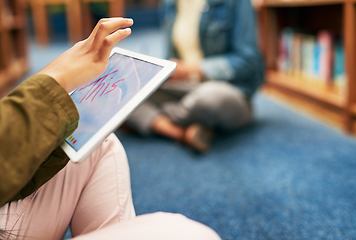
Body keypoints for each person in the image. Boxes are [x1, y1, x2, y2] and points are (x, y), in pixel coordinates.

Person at [0, 18, 221, 240]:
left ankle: (164, 121)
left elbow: (246, 65)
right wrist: (53, 80)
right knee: (196, 235)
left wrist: (195, 71)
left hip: (211, 84)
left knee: (99, 140)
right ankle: (178, 130)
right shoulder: (173, 6)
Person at [125, 0, 265, 152]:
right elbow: (171, 57)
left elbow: (249, 62)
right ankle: (182, 133)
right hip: (183, 88)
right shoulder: (169, 4)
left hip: (225, 89)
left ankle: (157, 121)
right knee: (125, 91)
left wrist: (192, 70)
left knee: (209, 99)